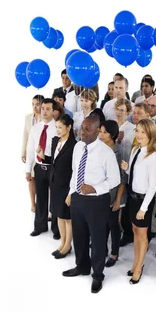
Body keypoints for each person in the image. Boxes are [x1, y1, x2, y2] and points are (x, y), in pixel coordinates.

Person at [62, 116, 120, 294]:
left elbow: (115, 180)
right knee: (79, 235)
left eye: (87, 129)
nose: (82, 132)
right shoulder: (79, 147)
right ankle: (82, 266)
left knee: (97, 238)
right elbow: (74, 170)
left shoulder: (106, 153)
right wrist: (71, 193)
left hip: (97, 201)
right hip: (78, 198)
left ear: (96, 131)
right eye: (82, 128)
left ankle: (97, 274)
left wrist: (94, 189)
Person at [121, 119, 156, 284]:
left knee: (142, 235)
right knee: (135, 231)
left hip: (144, 200)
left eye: (143, 132)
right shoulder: (135, 150)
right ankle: (135, 263)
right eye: (137, 131)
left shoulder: (153, 157)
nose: (139, 134)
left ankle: (139, 267)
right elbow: (136, 175)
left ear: (151, 134)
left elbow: (152, 187)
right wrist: (127, 169)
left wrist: (143, 209)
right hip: (132, 196)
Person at [25, 98, 59, 238]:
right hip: (39, 168)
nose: (44, 111)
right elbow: (30, 149)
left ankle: (57, 229)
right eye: (43, 108)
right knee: (41, 198)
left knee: (56, 198)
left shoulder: (57, 127)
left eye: (48, 109)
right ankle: (40, 225)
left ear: (53, 111)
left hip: (53, 168)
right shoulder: (36, 128)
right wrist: (28, 169)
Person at [47, 114, 77, 259]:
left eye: (60, 127)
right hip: (55, 184)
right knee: (58, 214)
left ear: (69, 127)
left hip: (67, 186)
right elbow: (54, 162)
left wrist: (71, 192)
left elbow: (75, 170)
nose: (58, 130)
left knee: (67, 217)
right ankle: (62, 243)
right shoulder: (55, 141)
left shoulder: (74, 145)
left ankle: (67, 245)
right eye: (56, 127)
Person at [98, 120, 128, 267]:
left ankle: (114, 253)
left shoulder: (119, 151)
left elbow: (123, 179)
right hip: (100, 194)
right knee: (101, 224)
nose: (101, 135)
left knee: (113, 224)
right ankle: (102, 249)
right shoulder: (97, 148)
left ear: (113, 134)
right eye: (100, 131)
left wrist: (117, 200)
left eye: (105, 132)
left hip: (114, 194)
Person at [22, 94, 44, 212]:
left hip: (41, 153)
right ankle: (33, 204)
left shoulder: (45, 118)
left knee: (43, 180)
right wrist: (23, 152)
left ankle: (46, 205)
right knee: (31, 178)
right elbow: (25, 135)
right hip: (30, 151)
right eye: (33, 104)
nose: (35, 107)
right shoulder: (28, 117)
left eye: (37, 104)